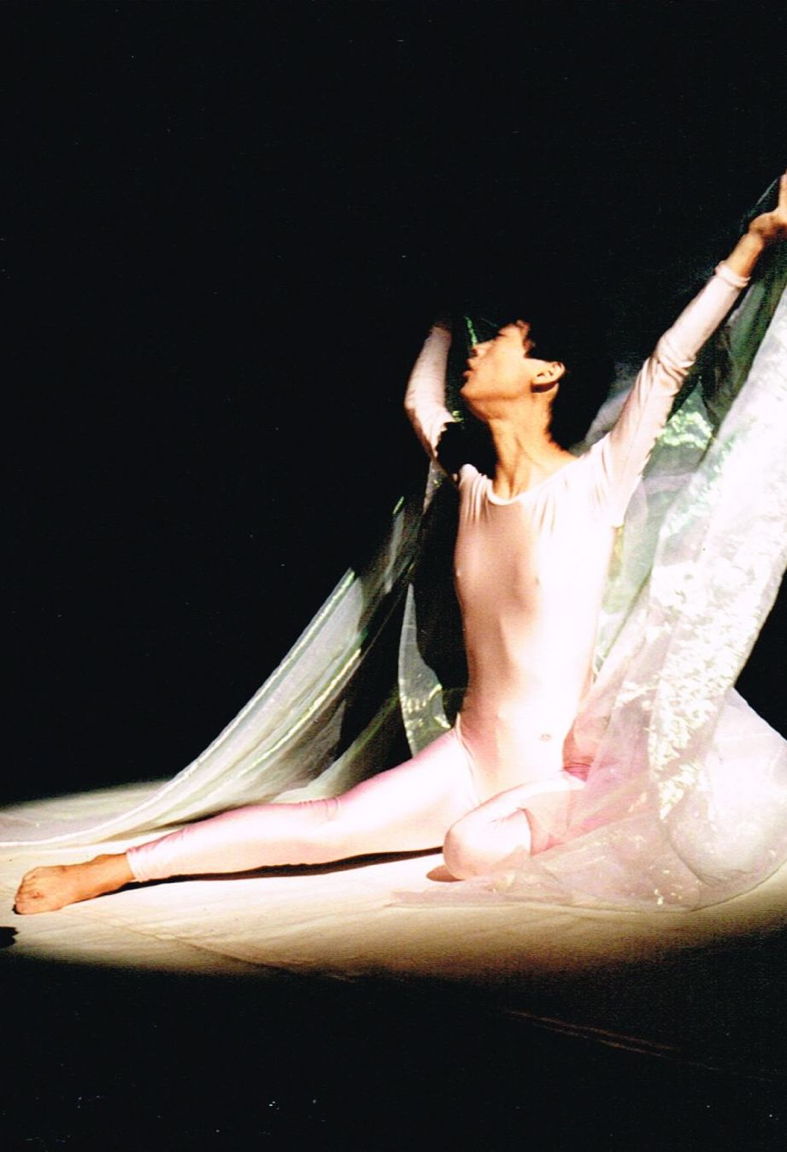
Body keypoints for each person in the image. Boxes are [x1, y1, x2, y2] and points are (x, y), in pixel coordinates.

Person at [14, 176, 787, 915]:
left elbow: (668, 364)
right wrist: (444, 313)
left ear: (547, 371)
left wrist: (752, 244)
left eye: (501, 341)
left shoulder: (594, 483)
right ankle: (116, 869)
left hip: (562, 773)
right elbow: (420, 400)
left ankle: (571, 826)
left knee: (470, 850)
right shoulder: (470, 487)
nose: (478, 352)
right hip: (471, 758)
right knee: (330, 827)